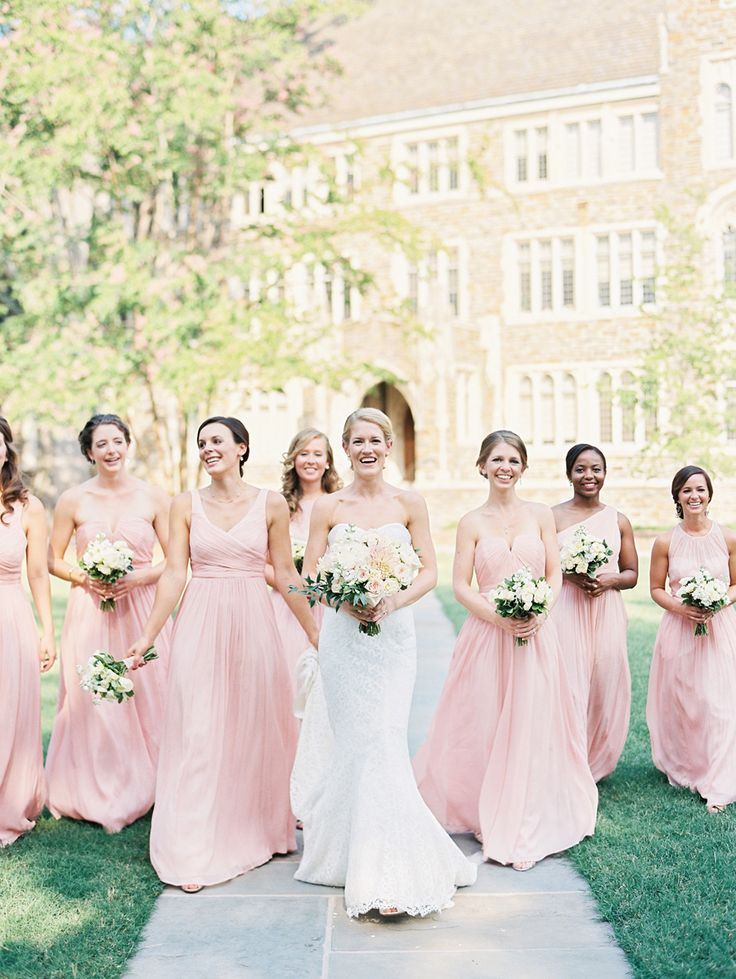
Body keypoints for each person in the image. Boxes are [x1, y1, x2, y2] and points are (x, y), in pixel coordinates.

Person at [294, 407, 476, 918]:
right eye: (357, 441)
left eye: (376, 439)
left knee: (385, 739)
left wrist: (392, 601)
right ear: (346, 449)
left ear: (389, 446)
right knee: (357, 743)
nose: (367, 448)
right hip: (344, 640)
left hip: (394, 639)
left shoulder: (409, 502)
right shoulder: (328, 507)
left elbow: (429, 571)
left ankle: (388, 866)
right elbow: (310, 574)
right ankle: (350, 857)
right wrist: (343, 599)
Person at [128, 416, 318, 892]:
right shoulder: (183, 505)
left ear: (242, 448)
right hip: (200, 620)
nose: (208, 449)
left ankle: (259, 828)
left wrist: (316, 632)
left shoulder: (271, 504)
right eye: (202, 443)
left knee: (255, 724)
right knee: (199, 728)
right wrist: (149, 634)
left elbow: (287, 575)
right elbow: (174, 573)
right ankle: (192, 844)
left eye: (217, 441)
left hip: (255, 620)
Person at [414, 430, 597, 871]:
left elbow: (554, 574)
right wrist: (497, 617)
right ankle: (485, 808)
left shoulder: (539, 516)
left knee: (533, 721)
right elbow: (459, 586)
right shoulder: (471, 522)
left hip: (536, 634)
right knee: (485, 721)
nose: (505, 467)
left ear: (523, 468)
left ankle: (526, 817)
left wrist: (539, 612)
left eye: (513, 460)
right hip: (486, 634)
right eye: (497, 459)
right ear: (482, 466)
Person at [45, 413, 171, 832]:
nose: (111, 450)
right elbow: (52, 559)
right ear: (88, 452)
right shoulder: (73, 499)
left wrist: (136, 576)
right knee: (94, 697)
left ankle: (155, 781)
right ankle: (96, 785)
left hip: (142, 608)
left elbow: (175, 561)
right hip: (90, 611)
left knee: (149, 692)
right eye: (102, 444)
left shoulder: (153, 497)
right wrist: (86, 577)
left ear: (127, 445)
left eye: (117, 441)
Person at [647, 465, 736, 814]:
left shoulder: (728, 538)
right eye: (686, 490)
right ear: (677, 497)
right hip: (680, 629)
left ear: (710, 494)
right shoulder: (665, 541)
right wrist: (682, 608)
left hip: (721, 630)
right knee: (689, 702)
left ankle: (718, 780)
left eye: (699, 489)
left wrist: (719, 602)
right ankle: (690, 765)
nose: (694, 496)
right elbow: (655, 588)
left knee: (719, 703)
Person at [551, 443, 638, 781]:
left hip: (606, 611)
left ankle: (594, 760)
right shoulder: (553, 516)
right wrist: (569, 573)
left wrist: (610, 580)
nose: (589, 476)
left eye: (596, 469)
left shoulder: (618, 520)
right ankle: (566, 758)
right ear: (569, 473)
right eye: (581, 469)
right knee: (568, 683)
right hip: (568, 608)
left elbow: (632, 573)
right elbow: (542, 564)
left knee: (605, 682)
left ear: (605, 473)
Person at [0, 417, 56, 846]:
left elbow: (38, 573)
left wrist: (47, 631)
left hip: (10, 617)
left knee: (10, 712)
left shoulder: (27, 506)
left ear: (7, 451)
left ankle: (8, 803)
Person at [266, 427, 341, 685]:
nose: (311, 460)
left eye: (318, 454)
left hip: (329, 605)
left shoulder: (339, 505)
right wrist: (294, 584)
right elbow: (263, 564)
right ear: (293, 460)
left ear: (328, 461)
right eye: (304, 454)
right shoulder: (278, 505)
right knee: (287, 677)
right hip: (285, 606)